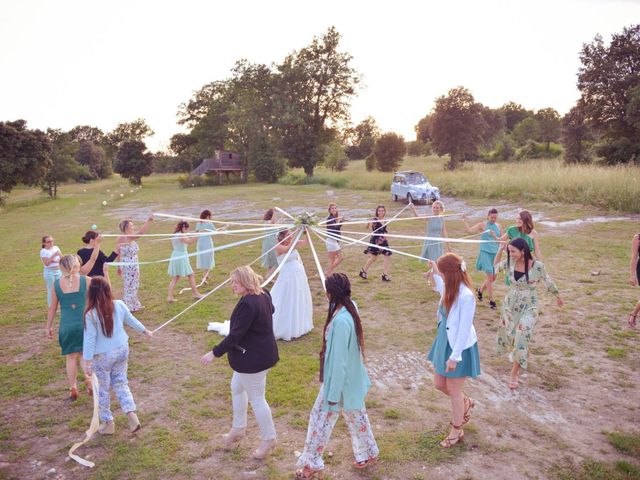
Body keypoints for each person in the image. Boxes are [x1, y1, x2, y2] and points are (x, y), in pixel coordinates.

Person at [295, 273, 378, 479]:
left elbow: (339, 362)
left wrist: (332, 394)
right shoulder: (349, 307)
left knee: (320, 420)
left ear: (330, 294)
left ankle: (312, 463)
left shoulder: (341, 321)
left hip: (339, 383)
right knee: (356, 415)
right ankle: (367, 452)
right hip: (350, 379)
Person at [200, 266, 279, 460]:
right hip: (260, 354)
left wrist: (214, 353)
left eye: (236, 282)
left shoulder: (249, 303)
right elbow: (272, 310)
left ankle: (269, 439)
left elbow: (235, 335)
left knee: (257, 399)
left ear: (246, 281)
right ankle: (238, 428)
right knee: (236, 387)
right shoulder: (264, 294)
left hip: (254, 359)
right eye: (232, 282)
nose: (233, 286)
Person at [83, 276, 153, 435]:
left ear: (91, 294)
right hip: (122, 349)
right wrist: (145, 331)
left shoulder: (90, 315)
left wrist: (87, 362)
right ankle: (131, 414)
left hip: (102, 357)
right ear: (108, 290)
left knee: (103, 389)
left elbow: (89, 339)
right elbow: (132, 320)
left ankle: (108, 423)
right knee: (121, 382)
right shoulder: (119, 305)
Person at [425, 253, 480, 448]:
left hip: (459, 346)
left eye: (442, 272)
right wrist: (433, 270)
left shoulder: (466, 296)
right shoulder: (449, 286)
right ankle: (466, 402)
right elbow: (441, 288)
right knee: (439, 384)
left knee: (454, 390)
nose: (440, 276)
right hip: (444, 340)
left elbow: (464, 330)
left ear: (450, 273)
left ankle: (457, 430)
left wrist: (455, 357)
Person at [494, 238, 564, 389]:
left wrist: (557, 295)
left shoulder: (537, 266)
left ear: (523, 251)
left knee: (521, 337)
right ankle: (521, 356)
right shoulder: (510, 262)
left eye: (513, 251)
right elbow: (495, 268)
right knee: (513, 337)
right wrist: (500, 249)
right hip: (510, 305)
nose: (510, 254)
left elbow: (548, 280)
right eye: (509, 251)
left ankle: (514, 373)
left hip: (529, 306)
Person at [46, 255, 94, 400]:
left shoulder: (56, 284)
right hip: (85, 323)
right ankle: (88, 377)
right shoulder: (87, 280)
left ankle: (73, 386)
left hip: (67, 326)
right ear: (76, 265)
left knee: (71, 357)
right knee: (85, 354)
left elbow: (52, 308)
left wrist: (48, 327)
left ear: (61, 268)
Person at [271, 229, 313, 340]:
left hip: (298, 276)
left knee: (298, 298)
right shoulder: (278, 247)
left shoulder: (292, 243)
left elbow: (305, 242)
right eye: (288, 235)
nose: (290, 237)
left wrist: (307, 231)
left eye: (290, 235)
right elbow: (288, 250)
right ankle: (283, 327)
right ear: (282, 236)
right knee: (285, 299)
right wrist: (295, 236)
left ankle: (299, 325)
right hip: (287, 278)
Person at [463, 208, 502, 309]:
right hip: (485, 253)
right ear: (488, 216)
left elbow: (500, 241)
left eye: (495, 217)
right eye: (492, 217)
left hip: (495, 254)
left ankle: (480, 290)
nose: (493, 219)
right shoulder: (482, 225)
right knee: (489, 277)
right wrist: (466, 221)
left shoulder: (499, 226)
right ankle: (492, 300)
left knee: (493, 278)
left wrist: (495, 237)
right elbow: (469, 231)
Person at [116, 216, 154, 312]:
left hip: (132, 264)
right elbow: (140, 233)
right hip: (129, 265)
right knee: (130, 284)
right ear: (126, 228)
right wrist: (148, 221)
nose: (133, 227)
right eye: (131, 226)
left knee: (133, 284)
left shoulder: (124, 237)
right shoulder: (126, 237)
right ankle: (128, 306)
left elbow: (119, 252)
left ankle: (133, 304)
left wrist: (119, 266)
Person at [167, 221, 203, 302]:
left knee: (176, 277)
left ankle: (170, 297)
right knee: (190, 275)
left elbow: (188, 234)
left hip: (177, 256)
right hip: (181, 257)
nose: (187, 230)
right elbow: (189, 242)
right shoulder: (180, 235)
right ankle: (195, 294)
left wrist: (196, 232)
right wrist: (198, 235)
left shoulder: (177, 234)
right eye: (187, 228)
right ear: (183, 228)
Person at [360, 206, 392, 282]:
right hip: (376, 241)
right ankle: (363, 271)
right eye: (379, 211)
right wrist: (368, 222)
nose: (381, 212)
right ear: (377, 212)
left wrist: (386, 238)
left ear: (384, 212)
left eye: (382, 211)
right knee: (374, 257)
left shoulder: (385, 220)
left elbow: (384, 231)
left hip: (383, 240)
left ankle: (385, 274)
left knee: (387, 255)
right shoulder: (375, 220)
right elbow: (367, 227)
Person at [195, 210, 216, 286]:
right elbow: (215, 232)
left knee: (204, 259)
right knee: (208, 259)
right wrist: (206, 231)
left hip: (201, 243)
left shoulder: (198, 223)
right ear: (207, 216)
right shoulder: (209, 223)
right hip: (206, 243)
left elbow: (196, 232)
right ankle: (204, 277)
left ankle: (206, 275)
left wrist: (203, 231)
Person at [41, 235, 62, 307]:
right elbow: (46, 263)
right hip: (49, 272)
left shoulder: (56, 247)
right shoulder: (43, 251)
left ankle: (60, 305)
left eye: (52, 241)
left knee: (60, 288)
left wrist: (55, 259)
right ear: (44, 243)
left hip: (58, 271)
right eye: (49, 242)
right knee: (51, 290)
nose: (51, 243)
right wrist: (53, 256)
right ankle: (52, 307)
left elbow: (61, 258)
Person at [325, 203, 346, 276]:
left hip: (333, 241)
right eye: (332, 208)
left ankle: (328, 272)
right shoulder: (330, 219)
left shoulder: (333, 218)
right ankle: (328, 273)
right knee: (334, 259)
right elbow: (334, 229)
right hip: (331, 241)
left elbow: (337, 227)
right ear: (329, 210)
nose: (334, 209)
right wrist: (340, 221)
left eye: (335, 208)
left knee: (338, 258)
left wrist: (341, 221)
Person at [261, 208, 279, 278]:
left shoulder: (267, 223)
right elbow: (274, 222)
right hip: (271, 243)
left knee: (271, 263)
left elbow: (276, 224)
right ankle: (267, 278)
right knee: (276, 262)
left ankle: (270, 278)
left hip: (268, 243)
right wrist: (274, 211)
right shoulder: (269, 222)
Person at [628, 232, 640, 327]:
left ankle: (633, 314)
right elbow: (634, 257)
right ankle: (634, 314)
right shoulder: (637, 238)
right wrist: (632, 275)